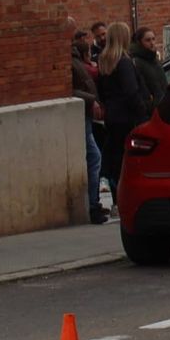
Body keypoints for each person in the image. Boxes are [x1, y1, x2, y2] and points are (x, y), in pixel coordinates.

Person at [95, 22, 145, 206]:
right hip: (127, 117)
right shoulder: (124, 62)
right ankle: (127, 198)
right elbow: (131, 91)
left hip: (112, 116)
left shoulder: (104, 62)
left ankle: (117, 198)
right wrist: (142, 110)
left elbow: (101, 91)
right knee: (127, 159)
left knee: (116, 158)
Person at [71, 29, 109, 224]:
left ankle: (94, 203)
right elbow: (71, 89)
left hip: (86, 115)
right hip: (83, 114)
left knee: (94, 157)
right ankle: (93, 205)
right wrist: (91, 99)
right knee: (94, 157)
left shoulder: (74, 59)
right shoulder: (71, 60)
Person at [130, 26, 168, 111]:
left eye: (153, 39)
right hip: (151, 110)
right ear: (139, 42)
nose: (152, 43)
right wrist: (150, 105)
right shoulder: (136, 62)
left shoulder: (155, 60)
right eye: (148, 40)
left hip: (164, 105)